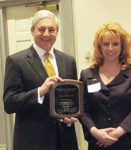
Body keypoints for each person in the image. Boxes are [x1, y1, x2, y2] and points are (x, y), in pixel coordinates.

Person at [3, 10, 79, 150]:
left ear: (57, 31)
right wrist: (40, 91)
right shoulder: (16, 61)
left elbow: (74, 98)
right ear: (32, 31)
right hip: (32, 142)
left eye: (51, 29)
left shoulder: (68, 61)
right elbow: (9, 103)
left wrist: (71, 116)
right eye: (41, 29)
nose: (46, 34)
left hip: (65, 140)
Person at [79, 23, 131, 150]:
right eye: (106, 44)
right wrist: (95, 132)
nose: (110, 48)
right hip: (98, 143)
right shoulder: (87, 74)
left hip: (130, 143)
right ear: (99, 47)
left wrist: (118, 133)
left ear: (123, 47)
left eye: (115, 44)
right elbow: (82, 109)